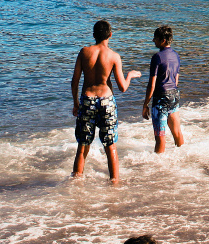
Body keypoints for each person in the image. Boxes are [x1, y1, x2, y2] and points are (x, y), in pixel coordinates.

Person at [72, 20, 141, 183]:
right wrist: (130, 75)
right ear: (110, 35)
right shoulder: (114, 56)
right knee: (110, 146)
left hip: (87, 100)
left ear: (93, 35)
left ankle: (75, 184)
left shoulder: (84, 52)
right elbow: (122, 87)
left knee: (82, 146)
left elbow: (74, 81)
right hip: (107, 102)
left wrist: (76, 103)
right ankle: (115, 183)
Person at [142, 26, 184, 154]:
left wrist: (145, 105)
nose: (153, 40)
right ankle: (182, 156)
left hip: (161, 98)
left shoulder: (157, 57)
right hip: (174, 95)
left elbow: (152, 84)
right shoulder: (176, 55)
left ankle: (158, 167)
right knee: (177, 132)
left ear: (163, 40)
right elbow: (176, 79)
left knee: (160, 137)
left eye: (155, 38)